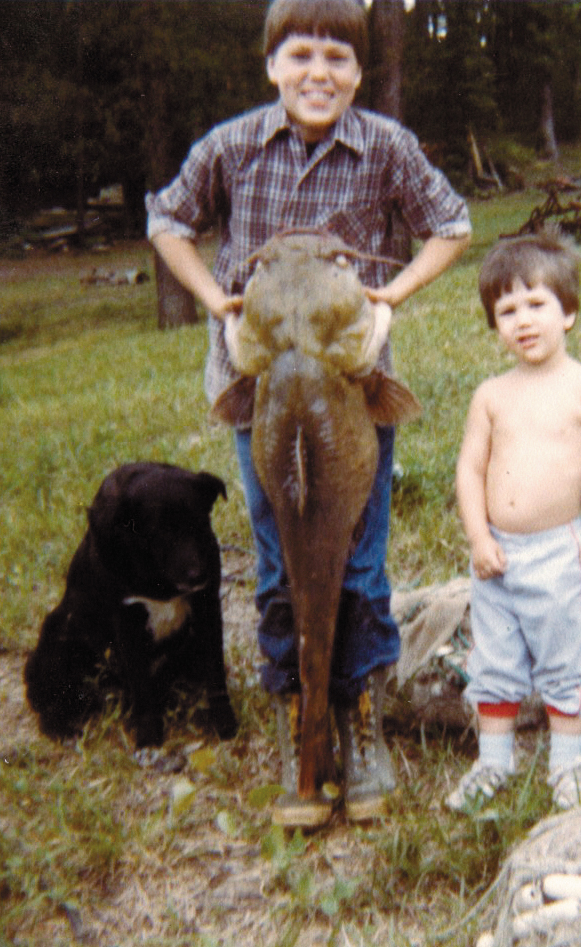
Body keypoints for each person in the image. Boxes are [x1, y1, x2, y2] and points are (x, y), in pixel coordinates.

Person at [146, 0, 471, 827]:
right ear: (271, 65)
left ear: (359, 72)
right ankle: (301, 715)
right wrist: (215, 298)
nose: (318, 72)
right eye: (300, 55)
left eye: (336, 57)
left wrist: (391, 294)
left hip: (355, 392)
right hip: (259, 391)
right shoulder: (229, 146)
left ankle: (355, 715)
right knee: (276, 559)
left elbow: (453, 224)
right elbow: (166, 219)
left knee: (358, 564)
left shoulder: (386, 146)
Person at [448, 231, 581, 812]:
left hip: (558, 555)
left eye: (537, 304)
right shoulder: (491, 395)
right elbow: (468, 471)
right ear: (495, 325)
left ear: (570, 312)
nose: (523, 320)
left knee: (564, 656)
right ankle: (493, 762)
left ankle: (567, 764)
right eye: (506, 311)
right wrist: (480, 537)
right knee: (495, 658)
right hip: (496, 558)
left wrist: (575, 494)